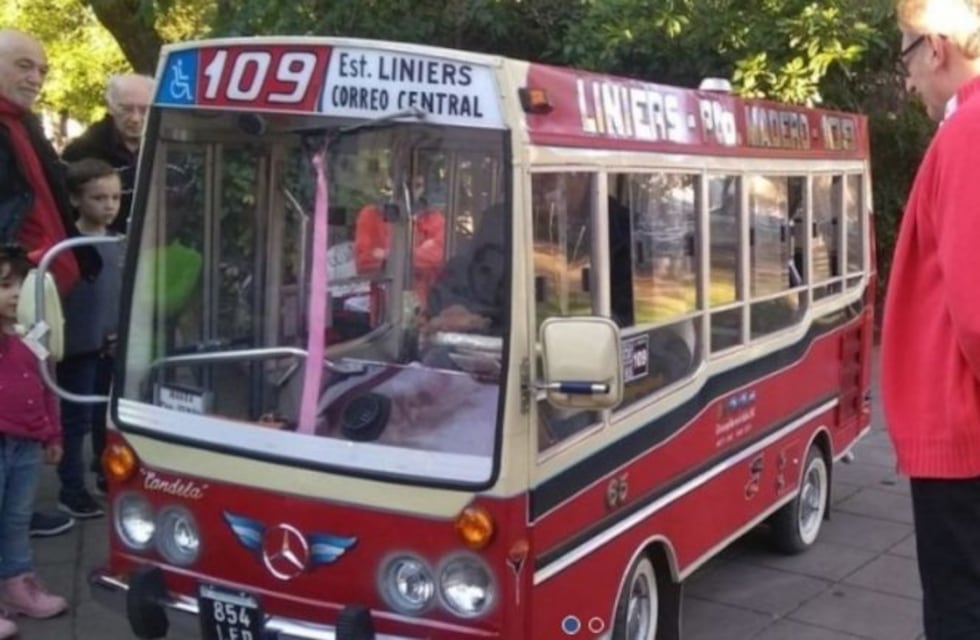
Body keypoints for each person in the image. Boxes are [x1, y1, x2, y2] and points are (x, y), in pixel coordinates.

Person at [882, 2, 980, 637]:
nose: (909, 79)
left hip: (962, 441)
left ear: (937, 47)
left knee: (958, 615)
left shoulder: (969, 133)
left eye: (907, 57)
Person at [0, 29, 101, 538]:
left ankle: (16, 514)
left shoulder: (21, 123)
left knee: (29, 402)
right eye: (23, 65)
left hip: (37, 292)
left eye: (41, 68)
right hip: (11, 291)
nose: (35, 77)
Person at [0, 245, 69, 635]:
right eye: (4, 285)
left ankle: (17, 586)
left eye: (21, 285)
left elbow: (47, 386)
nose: (14, 294)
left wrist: (52, 433)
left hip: (26, 444)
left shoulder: (34, 335)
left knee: (16, 520)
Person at [54, 158, 123, 518]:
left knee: (104, 416)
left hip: (109, 344)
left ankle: (104, 472)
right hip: (78, 347)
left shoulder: (120, 241)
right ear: (76, 200)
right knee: (75, 419)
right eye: (99, 198)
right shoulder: (65, 246)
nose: (109, 205)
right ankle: (71, 487)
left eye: (114, 197)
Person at [62, 73, 154, 234]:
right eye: (126, 109)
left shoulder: (170, 149)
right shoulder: (80, 152)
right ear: (110, 106)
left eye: (144, 110)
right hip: (95, 249)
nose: (135, 118)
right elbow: (64, 211)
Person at [354, 173, 445, 309]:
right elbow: (364, 262)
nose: (410, 193)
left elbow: (437, 257)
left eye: (417, 186)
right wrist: (419, 252)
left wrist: (385, 255)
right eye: (404, 187)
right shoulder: (371, 215)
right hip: (385, 311)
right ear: (390, 183)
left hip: (425, 309)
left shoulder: (434, 218)